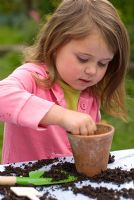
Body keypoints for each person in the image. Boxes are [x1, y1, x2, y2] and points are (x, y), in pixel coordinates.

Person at [0, 0, 130, 164]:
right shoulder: (33, 77)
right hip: (24, 184)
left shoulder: (89, 93)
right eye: (83, 59)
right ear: (56, 45)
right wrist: (61, 115)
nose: (92, 70)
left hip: (67, 187)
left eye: (102, 63)